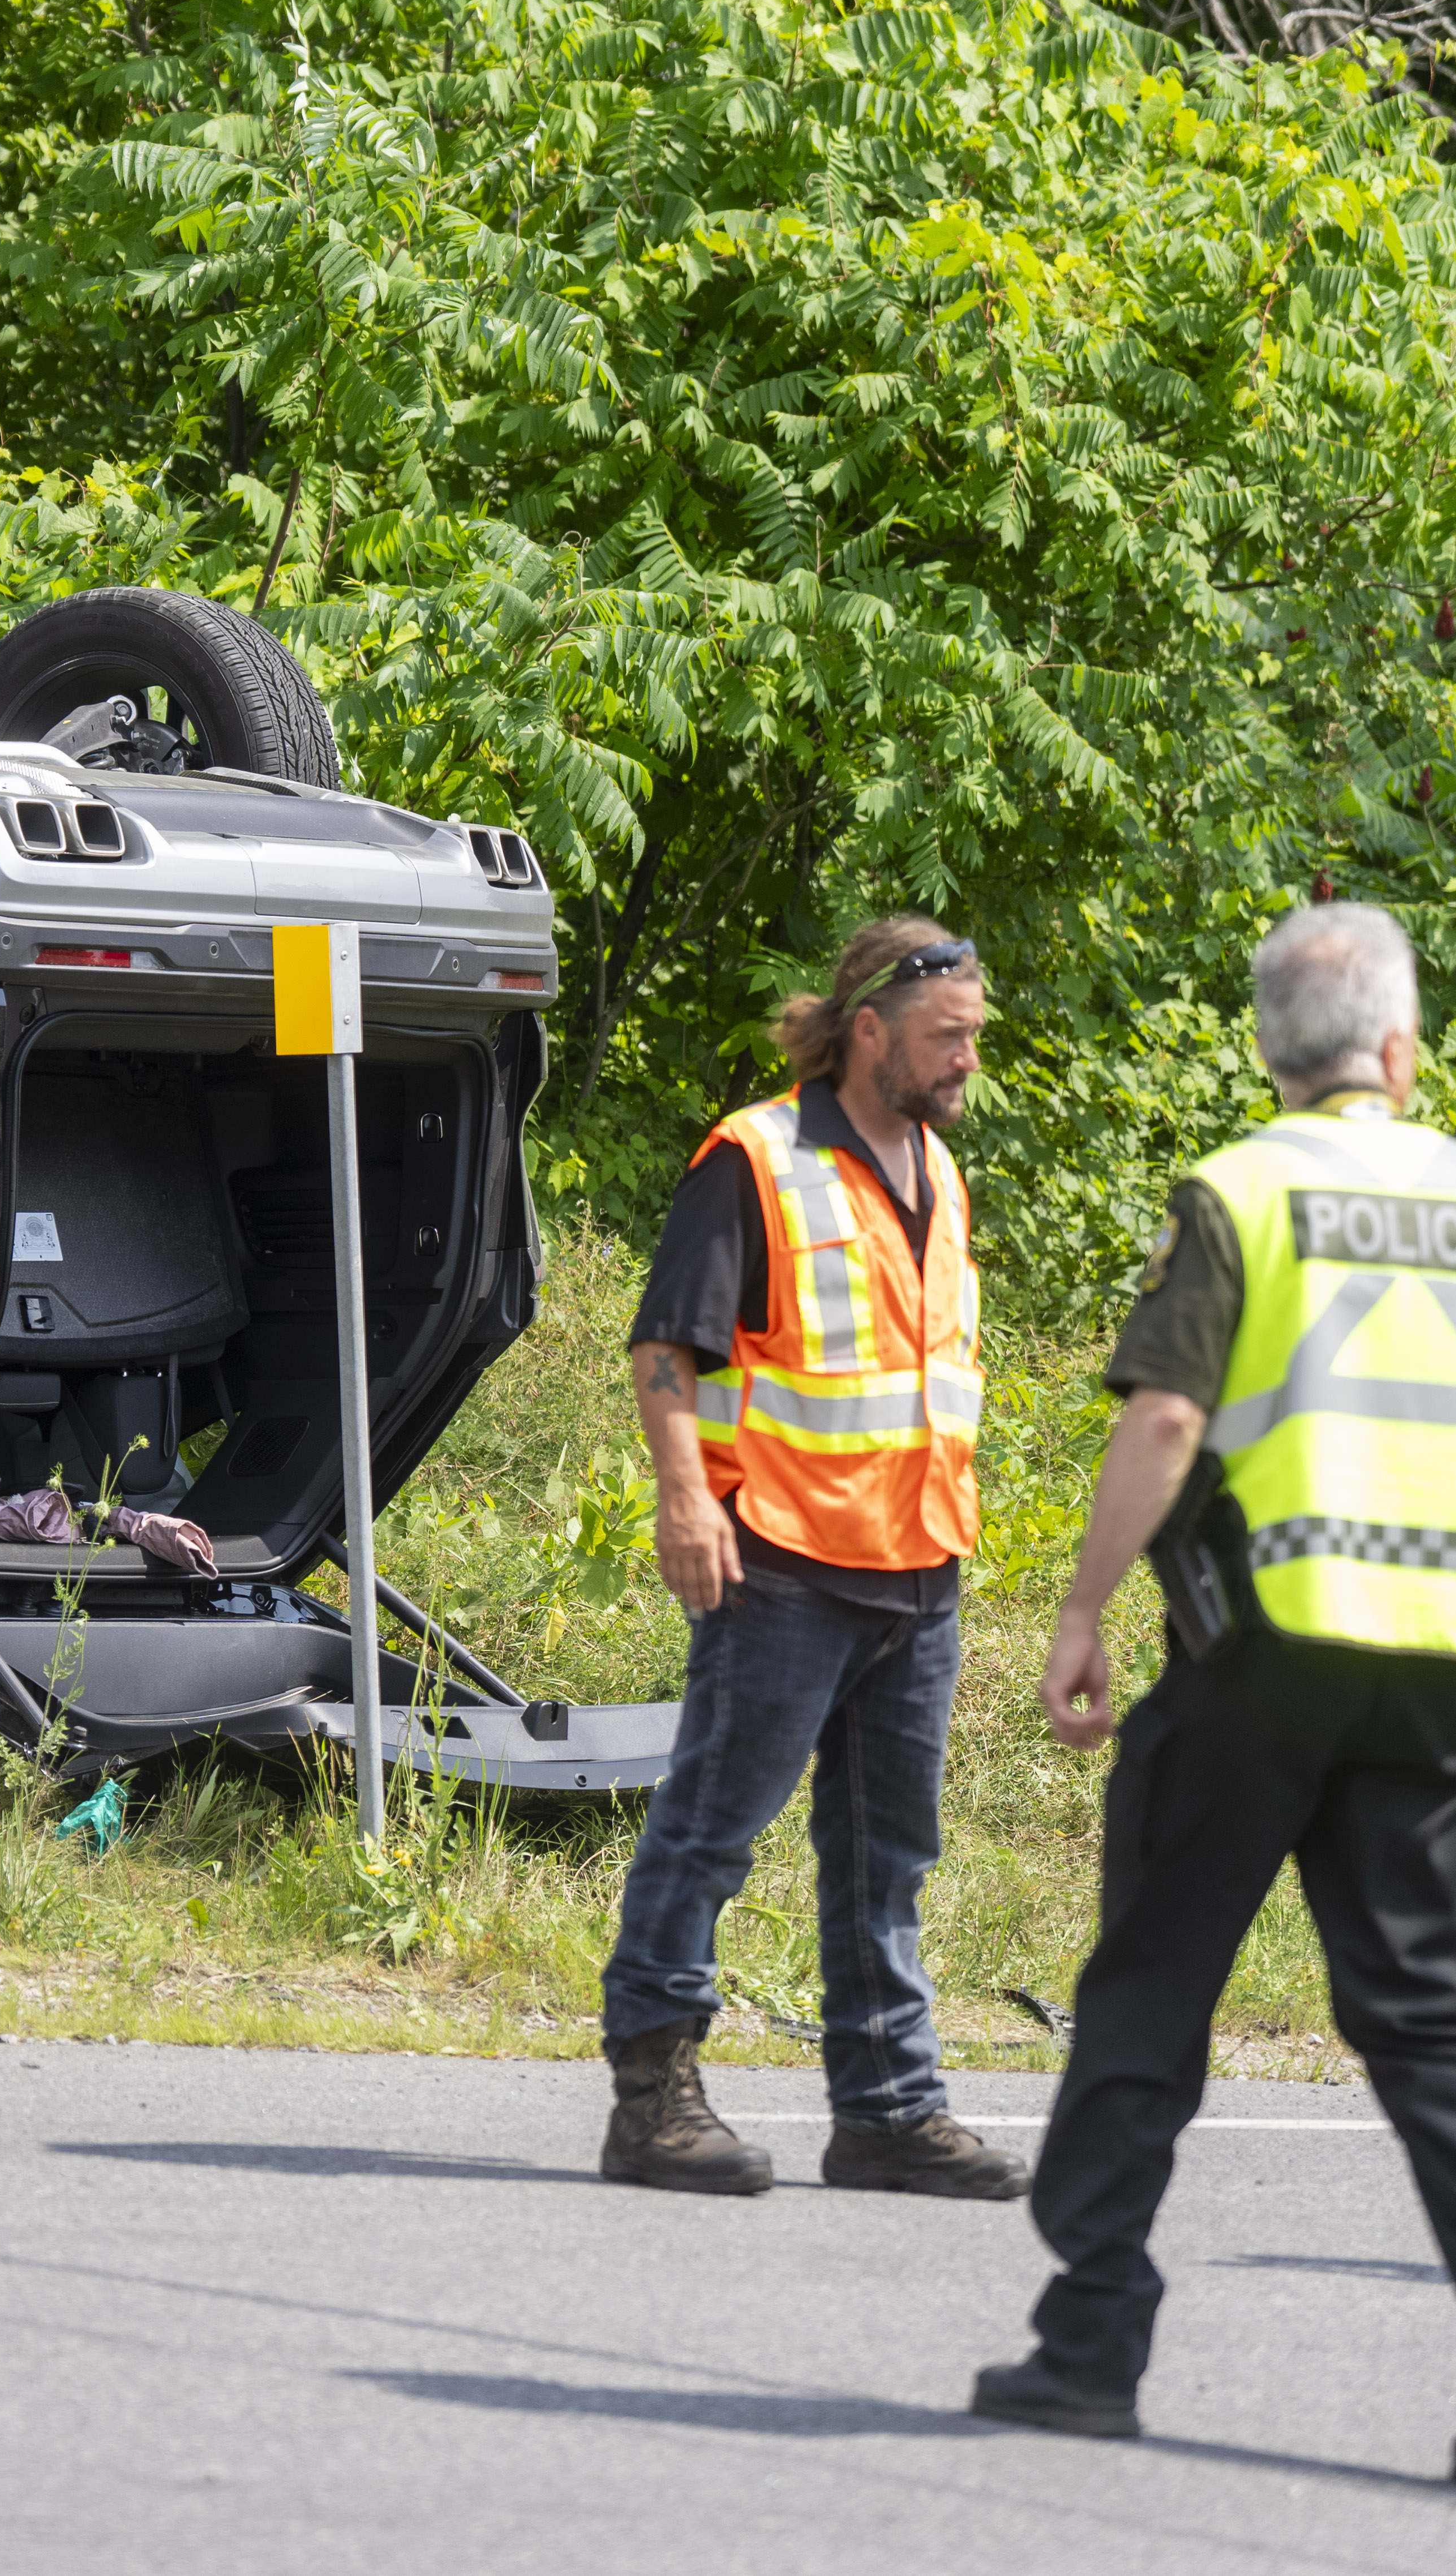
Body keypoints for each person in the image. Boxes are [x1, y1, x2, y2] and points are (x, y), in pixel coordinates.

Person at [975, 902, 1456, 2486]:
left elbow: (1168, 1425)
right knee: (1415, 2005)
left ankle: (1090, 2342)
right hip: (1449, 1667)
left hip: (1261, 1647)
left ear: (1270, 1053)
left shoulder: (1243, 1188)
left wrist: (1079, 1609)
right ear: (1403, 1051)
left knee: (1151, 1987)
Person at [596, 914, 1021, 2201]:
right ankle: (652, 2100)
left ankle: (888, 2110)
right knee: (710, 1833)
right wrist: (686, 1503)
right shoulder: (758, 1158)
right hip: (780, 1562)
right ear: (872, 1029)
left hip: (918, 1567)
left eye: (976, 1041)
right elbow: (667, 1347)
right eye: (948, 1040)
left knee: (889, 1858)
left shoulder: (938, 1172)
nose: (966, 1064)